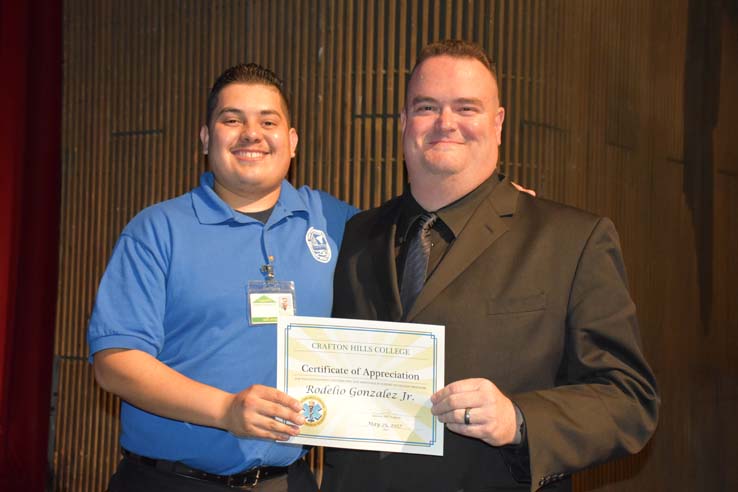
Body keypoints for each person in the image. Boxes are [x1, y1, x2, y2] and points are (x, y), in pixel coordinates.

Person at [321, 40, 660, 491]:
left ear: (497, 124)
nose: (445, 123)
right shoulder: (354, 236)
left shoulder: (572, 240)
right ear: (403, 122)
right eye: (426, 107)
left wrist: (519, 420)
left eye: (467, 108)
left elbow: (628, 399)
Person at [87, 63, 358, 491]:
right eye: (232, 120)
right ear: (206, 138)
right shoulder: (157, 230)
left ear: (291, 142)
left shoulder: (335, 222)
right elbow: (115, 363)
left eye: (268, 121)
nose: (251, 133)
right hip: (169, 481)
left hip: (288, 482)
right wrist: (226, 410)